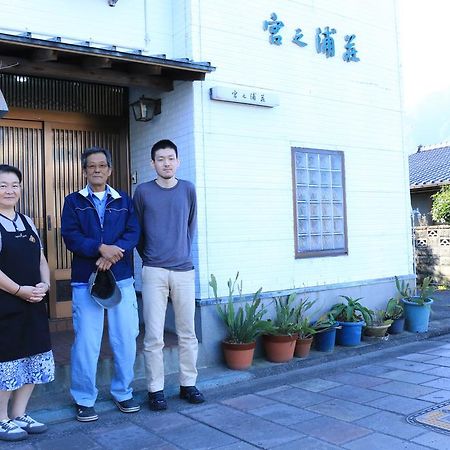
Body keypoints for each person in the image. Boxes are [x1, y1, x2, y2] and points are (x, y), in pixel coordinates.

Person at [61, 147, 140, 422]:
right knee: (86, 340)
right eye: (91, 166)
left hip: (121, 278)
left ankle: (123, 391)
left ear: (109, 170)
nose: (97, 169)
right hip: (86, 280)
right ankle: (84, 398)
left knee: (126, 337)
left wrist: (112, 251)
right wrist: (100, 249)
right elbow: (70, 236)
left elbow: (133, 232)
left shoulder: (124, 201)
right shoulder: (73, 201)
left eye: (102, 165)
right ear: (84, 171)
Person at [133, 139, 205, 410]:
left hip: (184, 270)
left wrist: (180, 251)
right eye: (160, 159)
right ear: (153, 163)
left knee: (188, 332)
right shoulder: (143, 192)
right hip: (153, 271)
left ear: (178, 161)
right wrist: (150, 256)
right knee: (153, 335)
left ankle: (188, 384)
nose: (166, 163)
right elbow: (137, 231)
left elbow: (191, 225)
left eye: (170, 158)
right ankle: (156, 389)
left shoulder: (188, 189)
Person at [0, 164, 54, 442]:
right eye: (2, 185)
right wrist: (20, 290)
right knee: (7, 360)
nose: (10, 190)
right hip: (6, 305)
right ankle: (2, 419)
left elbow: (41, 260)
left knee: (34, 357)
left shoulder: (27, 221)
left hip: (34, 301)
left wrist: (44, 284)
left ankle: (20, 413)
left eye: (15, 185)